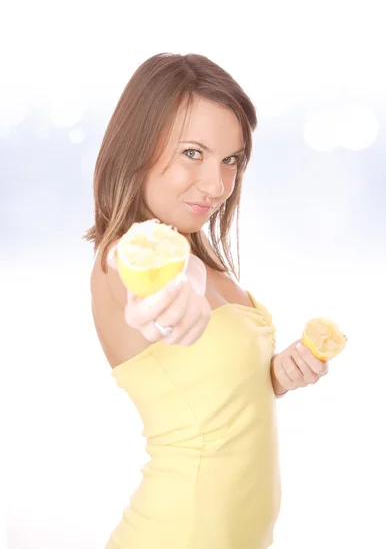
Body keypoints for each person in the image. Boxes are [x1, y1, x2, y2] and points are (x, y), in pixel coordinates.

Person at [85, 53, 330, 549]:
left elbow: (209, 393)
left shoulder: (204, 262)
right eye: (192, 152)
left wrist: (273, 376)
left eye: (230, 160)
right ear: (138, 147)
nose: (217, 185)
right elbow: (154, 297)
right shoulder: (128, 256)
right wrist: (171, 306)